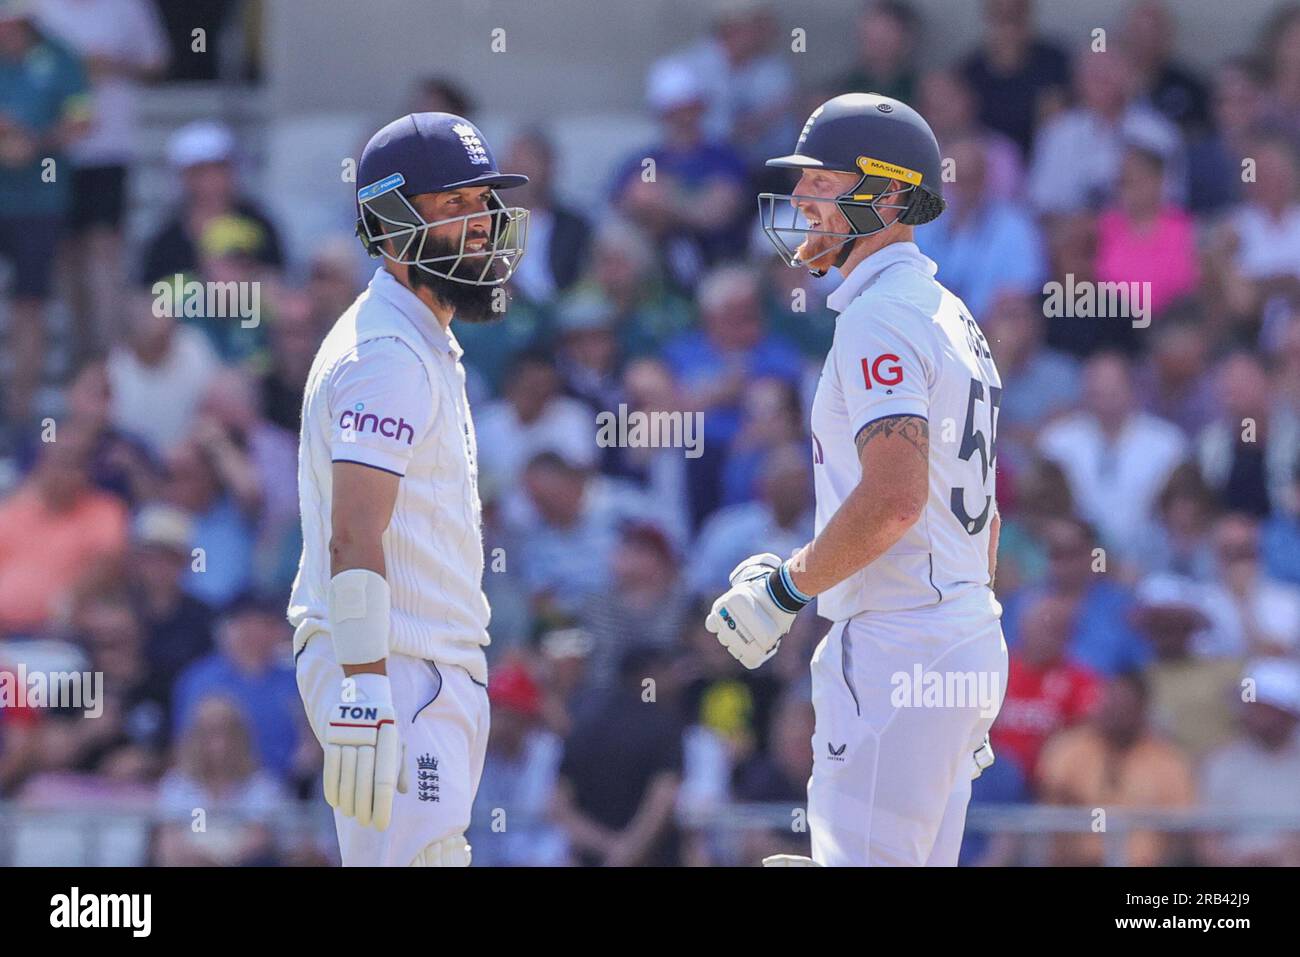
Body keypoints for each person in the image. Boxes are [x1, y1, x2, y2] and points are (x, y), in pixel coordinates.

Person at [707, 93, 1006, 866]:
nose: (804, 199)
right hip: (959, 629)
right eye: (803, 183)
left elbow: (895, 498)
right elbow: (984, 515)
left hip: (900, 641)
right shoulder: (947, 312)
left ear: (894, 196)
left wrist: (783, 589)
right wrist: (962, 662)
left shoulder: (883, 315)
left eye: (825, 182)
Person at [289, 112, 529, 867]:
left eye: (483, 203)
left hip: (422, 668)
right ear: (392, 230)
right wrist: (364, 688)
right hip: (393, 666)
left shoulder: (416, 337)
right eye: (454, 206)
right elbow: (353, 532)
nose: (483, 225)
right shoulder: (387, 352)